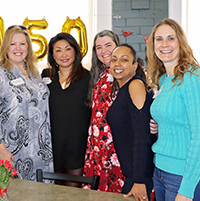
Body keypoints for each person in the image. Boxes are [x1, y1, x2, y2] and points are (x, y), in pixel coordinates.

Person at [146, 18, 200, 201]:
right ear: (153, 45)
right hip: (161, 172)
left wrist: (186, 190)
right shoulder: (164, 80)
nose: (165, 44)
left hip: (186, 176)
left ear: (180, 43)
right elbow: (179, 119)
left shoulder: (194, 77)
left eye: (171, 38)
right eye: (159, 39)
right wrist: (161, 126)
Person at [0, 25, 54, 181]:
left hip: (39, 151)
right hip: (11, 151)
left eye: (22, 44)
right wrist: (1, 149)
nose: (18, 48)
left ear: (28, 47)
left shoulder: (35, 74)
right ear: (5, 48)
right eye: (12, 43)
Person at [41, 32, 91, 187]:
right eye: (58, 50)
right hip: (52, 148)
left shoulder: (88, 78)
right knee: (52, 195)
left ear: (75, 51)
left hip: (77, 147)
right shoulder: (45, 76)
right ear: (52, 55)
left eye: (67, 49)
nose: (63, 54)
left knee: (73, 194)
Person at [107, 44, 155, 201]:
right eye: (114, 59)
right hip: (133, 173)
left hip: (141, 176)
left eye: (124, 60)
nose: (117, 64)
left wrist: (139, 180)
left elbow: (142, 134)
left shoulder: (135, 85)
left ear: (135, 65)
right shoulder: (123, 88)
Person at [83, 30, 125, 192]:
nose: (104, 51)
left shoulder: (129, 73)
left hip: (118, 146)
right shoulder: (98, 75)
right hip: (97, 146)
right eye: (99, 47)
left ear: (117, 46)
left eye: (108, 45)